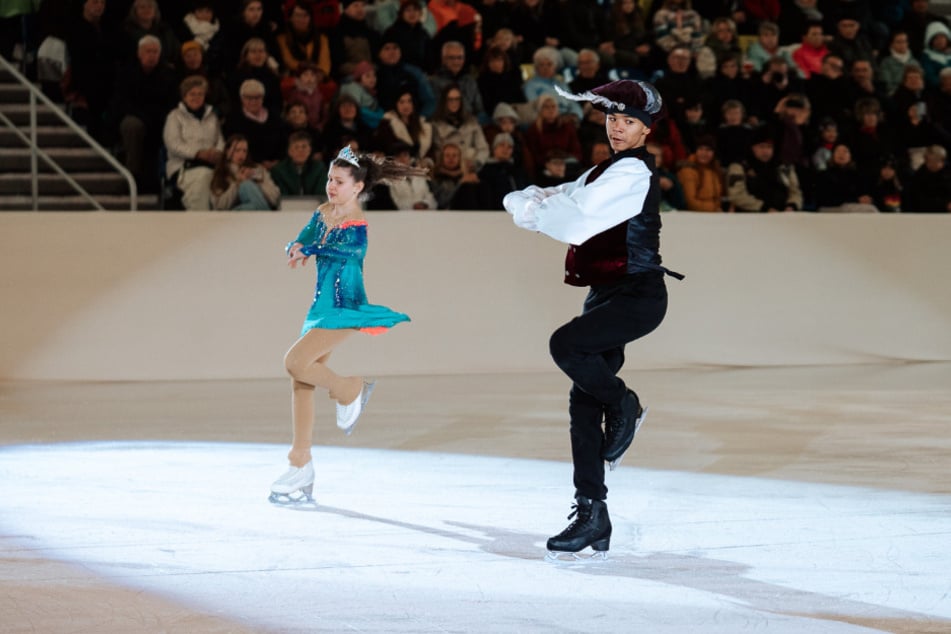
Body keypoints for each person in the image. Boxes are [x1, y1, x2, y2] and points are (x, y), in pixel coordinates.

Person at [503, 79, 683, 559]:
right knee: (582, 403)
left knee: (566, 346)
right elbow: (544, 196)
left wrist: (535, 206)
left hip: (638, 295)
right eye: (613, 119)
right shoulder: (603, 172)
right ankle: (592, 513)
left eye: (629, 122)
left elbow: (572, 218)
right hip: (606, 295)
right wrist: (532, 202)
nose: (618, 128)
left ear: (646, 131)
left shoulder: (633, 175)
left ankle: (625, 404)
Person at [270, 146, 427, 503]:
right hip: (320, 305)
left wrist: (312, 251)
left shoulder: (357, 222)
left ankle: (350, 389)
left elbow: (349, 253)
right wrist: (295, 247)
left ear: (357, 188)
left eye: (339, 182)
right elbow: (306, 236)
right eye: (329, 179)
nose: (331, 186)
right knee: (301, 379)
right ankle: (301, 465)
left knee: (294, 362)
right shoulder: (324, 212)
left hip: (345, 305)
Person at [162, 75, 225, 210]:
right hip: (183, 166)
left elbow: (220, 140)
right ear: (184, 96)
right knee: (203, 177)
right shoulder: (174, 116)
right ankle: (198, 219)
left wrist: (217, 153)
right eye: (192, 94)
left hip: (211, 164)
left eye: (200, 94)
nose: (196, 97)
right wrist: (197, 153)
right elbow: (173, 145)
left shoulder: (212, 117)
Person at [210, 133, 281, 210]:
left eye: (245, 151)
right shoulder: (220, 173)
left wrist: (257, 185)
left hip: (246, 211)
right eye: (237, 150)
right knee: (245, 185)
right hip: (231, 215)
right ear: (227, 152)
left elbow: (275, 197)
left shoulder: (257, 169)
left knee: (248, 205)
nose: (241, 154)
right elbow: (219, 206)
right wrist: (237, 183)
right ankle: (266, 217)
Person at [270, 130, 328, 197]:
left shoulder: (319, 168)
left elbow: (321, 194)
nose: (300, 150)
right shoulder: (278, 170)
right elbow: (282, 197)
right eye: (296, 147)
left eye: (304, 147)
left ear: (310, 150)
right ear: (289, 151)